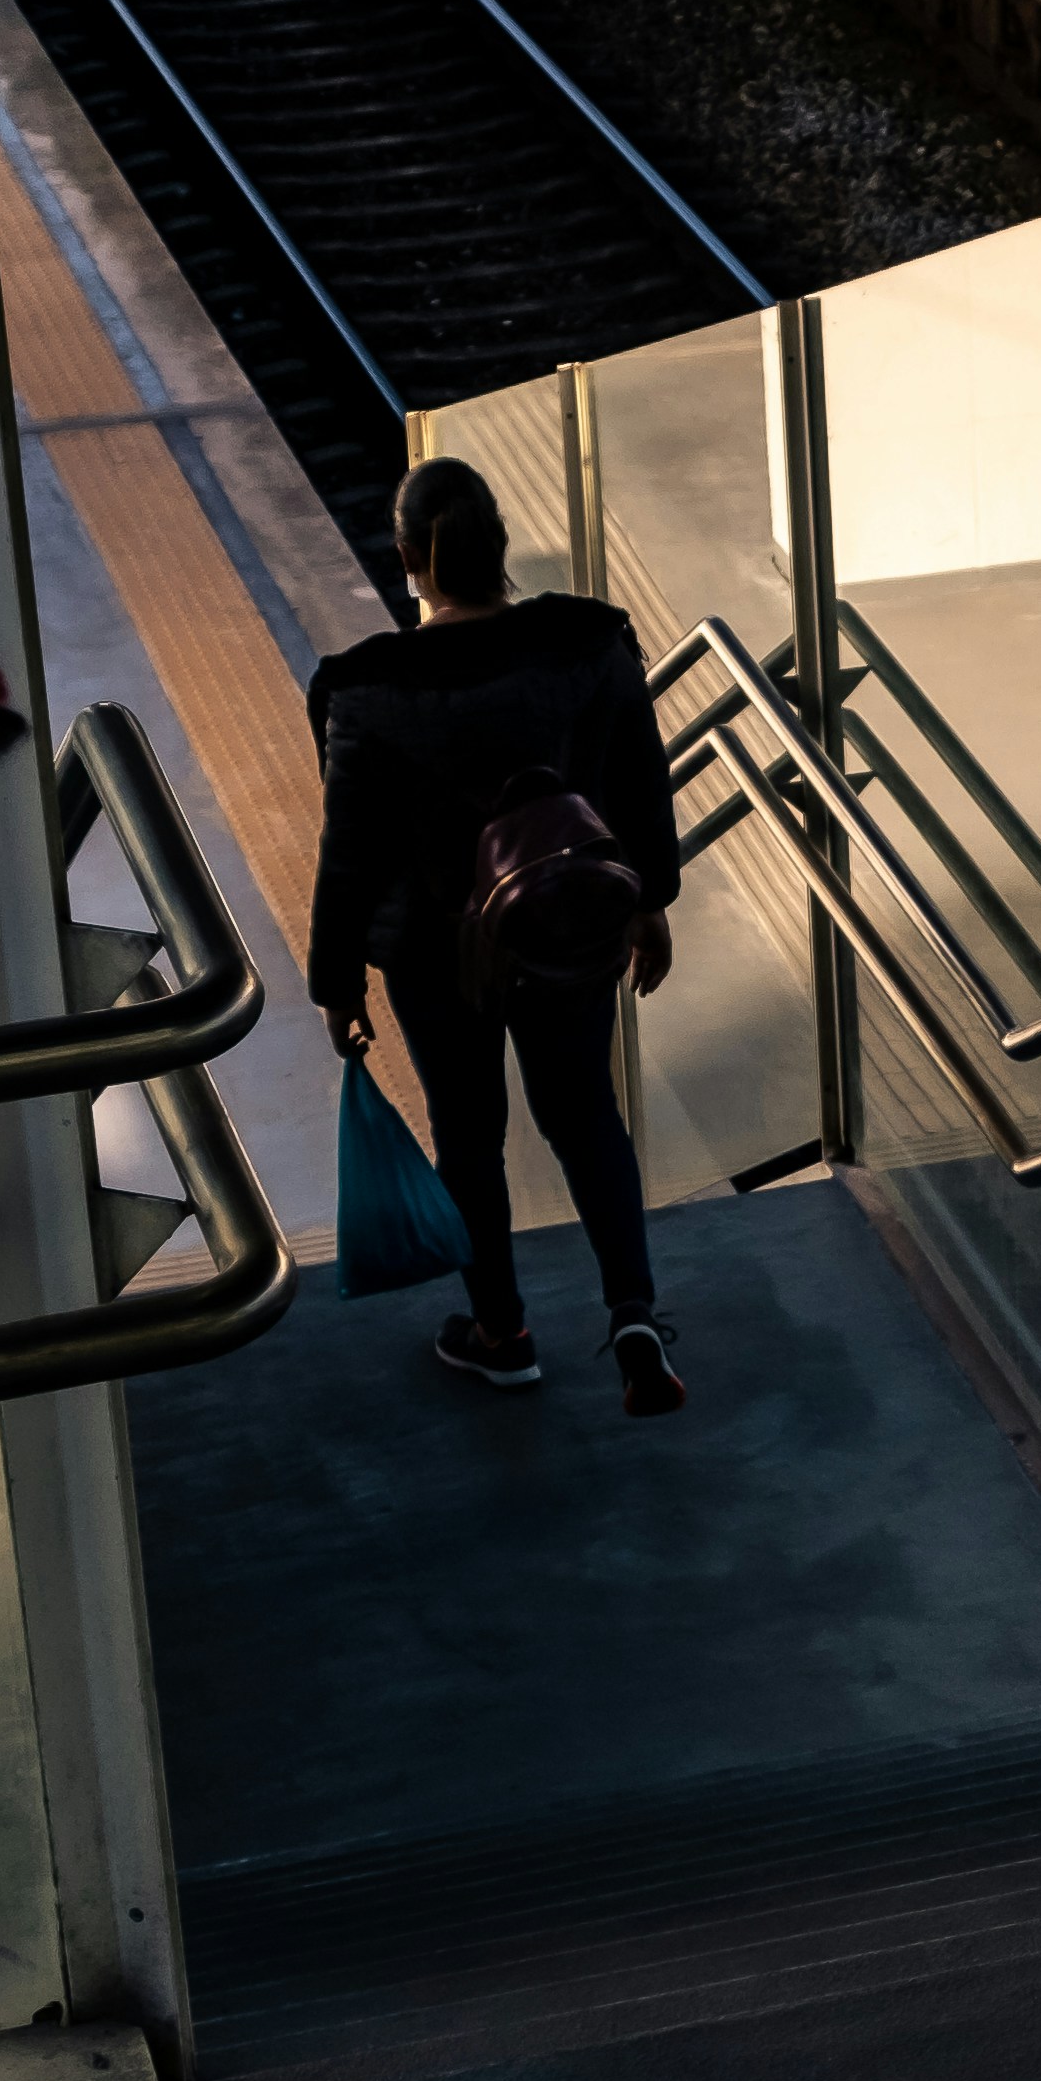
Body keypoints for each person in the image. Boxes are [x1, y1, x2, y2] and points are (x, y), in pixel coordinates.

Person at [307, 456, 692, 1413]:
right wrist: (647, 901)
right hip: (568, 926)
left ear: (407, 558)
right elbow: (637, 782)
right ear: (502, 544)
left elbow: (350, 850)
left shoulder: (365, 689)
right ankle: (634, 1315)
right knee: (584, 1113)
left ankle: (502, 1333)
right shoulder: (588, 643)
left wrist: (337, 980)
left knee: (468, 1134)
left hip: (437, 955)